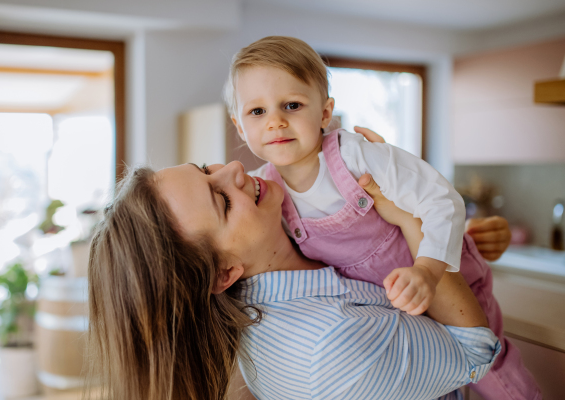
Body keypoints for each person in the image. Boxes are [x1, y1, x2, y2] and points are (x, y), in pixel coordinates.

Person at [223, 36, 540, 400]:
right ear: (239, 125)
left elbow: (441, 200)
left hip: (445, 277)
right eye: (257, 112)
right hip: (395, 301)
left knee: (495, 375)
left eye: (292, 105)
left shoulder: (356, 156)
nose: (276, 122)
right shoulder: (267, 189)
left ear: (325, 113)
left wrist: (427, 271)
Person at [86, 161, 500, 400]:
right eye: (224, 201)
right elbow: (475, 353)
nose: (234, 167)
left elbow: (383, 253)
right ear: (224, 273)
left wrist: (455, 242)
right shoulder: (328, 345)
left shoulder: (294, 235)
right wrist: (418, 222)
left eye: (206, 168)